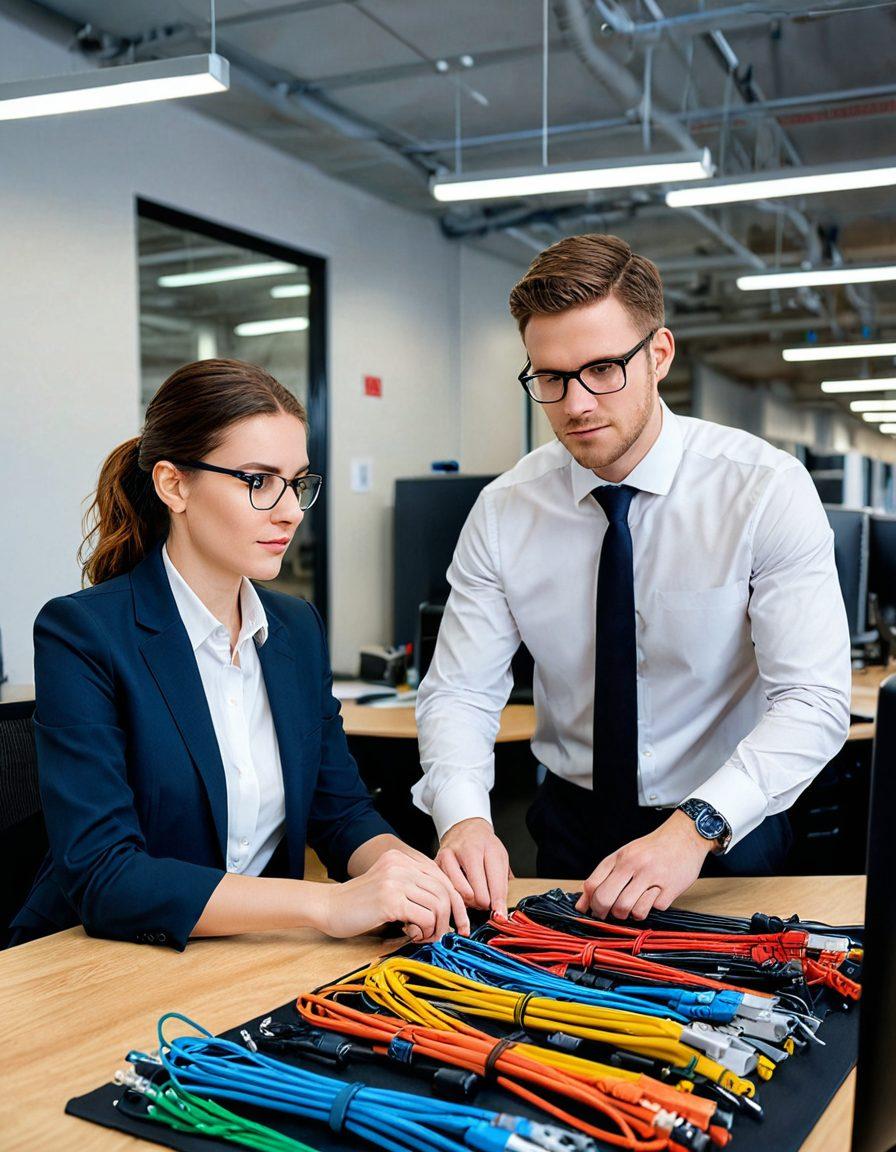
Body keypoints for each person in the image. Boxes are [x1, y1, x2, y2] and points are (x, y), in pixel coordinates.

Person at [413, 233, 851, 923]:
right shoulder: (505, 511)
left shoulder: (762, 489)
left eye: (602, 369)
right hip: (570, 825)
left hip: (724, 830)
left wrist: (695, 827)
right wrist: (463, 818)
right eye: (551, 378)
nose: (577, 404)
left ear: (659, 355)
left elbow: (813, 700)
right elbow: (460, 694)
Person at [11, 359, 467, 949]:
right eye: (258, 481)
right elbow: (106, 874)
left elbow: (341, 812)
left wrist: (415, 878)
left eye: (298, 482)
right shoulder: (83, 633)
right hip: (100, 963)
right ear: (174, 485)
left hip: (243, 962)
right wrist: (328, 904)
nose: (290, 511)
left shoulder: (294, 627)